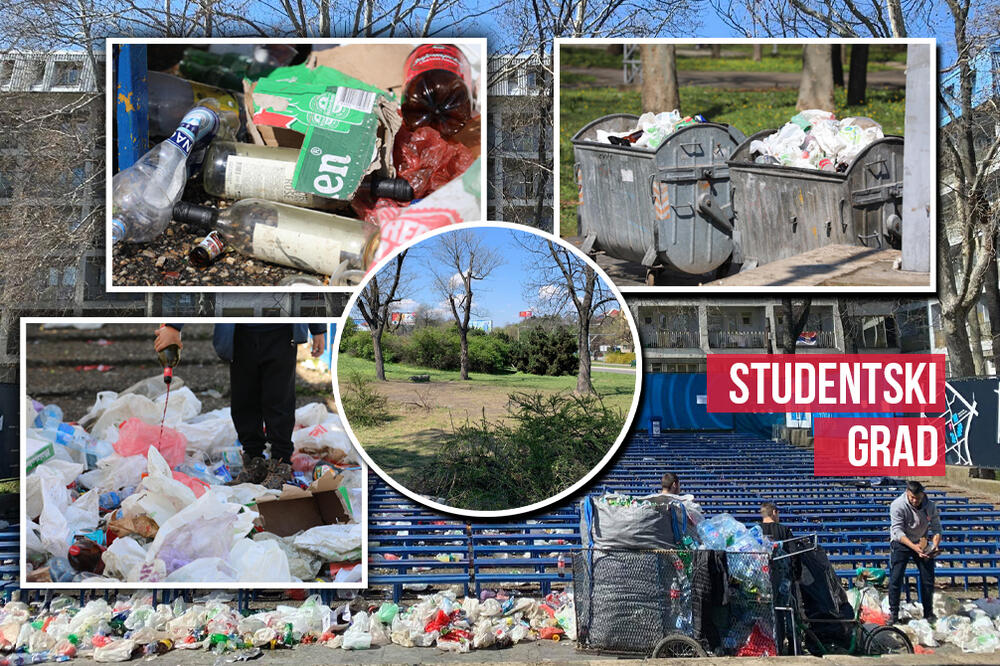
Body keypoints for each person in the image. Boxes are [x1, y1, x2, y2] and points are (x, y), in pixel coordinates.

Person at [154, 323, 326, 489]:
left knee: (279, 400)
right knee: (244, 400)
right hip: (239, 334)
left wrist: (318, 329)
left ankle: (281, 464)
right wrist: (173, 326)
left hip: (282, 333)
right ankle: (253, 462)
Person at [887, 480, 942, 624]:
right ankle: (893, 612)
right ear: (907, 493)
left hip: (922, 541)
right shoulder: (897, 505)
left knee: (927, 579)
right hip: (902, 542)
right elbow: (897, 531)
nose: (915, 501)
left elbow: (936, 527)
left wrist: (934, 545)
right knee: (896, 577)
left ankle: (928, 612)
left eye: (918, 498)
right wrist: (913, 547)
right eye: (912, 497)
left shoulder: (930, 506)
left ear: (923, 494)